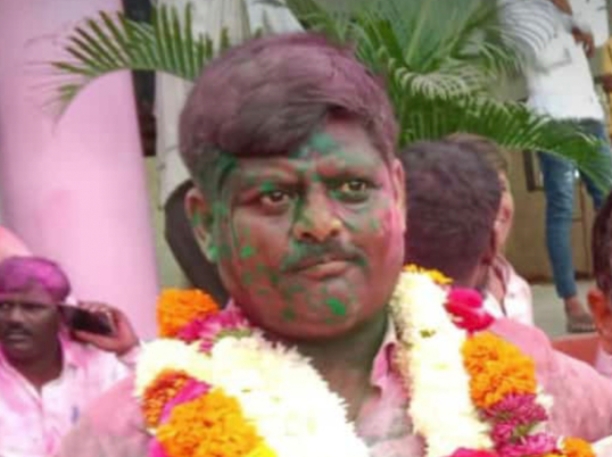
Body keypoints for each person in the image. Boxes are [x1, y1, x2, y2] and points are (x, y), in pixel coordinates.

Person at [58, 33, 612, 457]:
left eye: (352, 188)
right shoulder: (129, 434)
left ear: (396, 193)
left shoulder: (522, 365)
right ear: (206, 224)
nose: (320, 225)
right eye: (274, 196)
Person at [518, 0, 612, 332]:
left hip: (588, 112)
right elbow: (540, 55)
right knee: (561, 205)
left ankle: (608, 290)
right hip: (550, 116)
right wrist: (574, 34)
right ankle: (571, 302)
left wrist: (572, 13)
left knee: (608, 201)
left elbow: (600, 33)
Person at [0, 256, 140, 457]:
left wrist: (128, 351)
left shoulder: (101, 365)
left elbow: (164, 409)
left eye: (32, 307)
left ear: (62, 315)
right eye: (3, 306)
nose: (14, 319)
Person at [443, 133, 534, 325]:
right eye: (480, 191)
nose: (495, 202)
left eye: (501, 188)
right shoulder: (435, 298)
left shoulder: (517, 287)